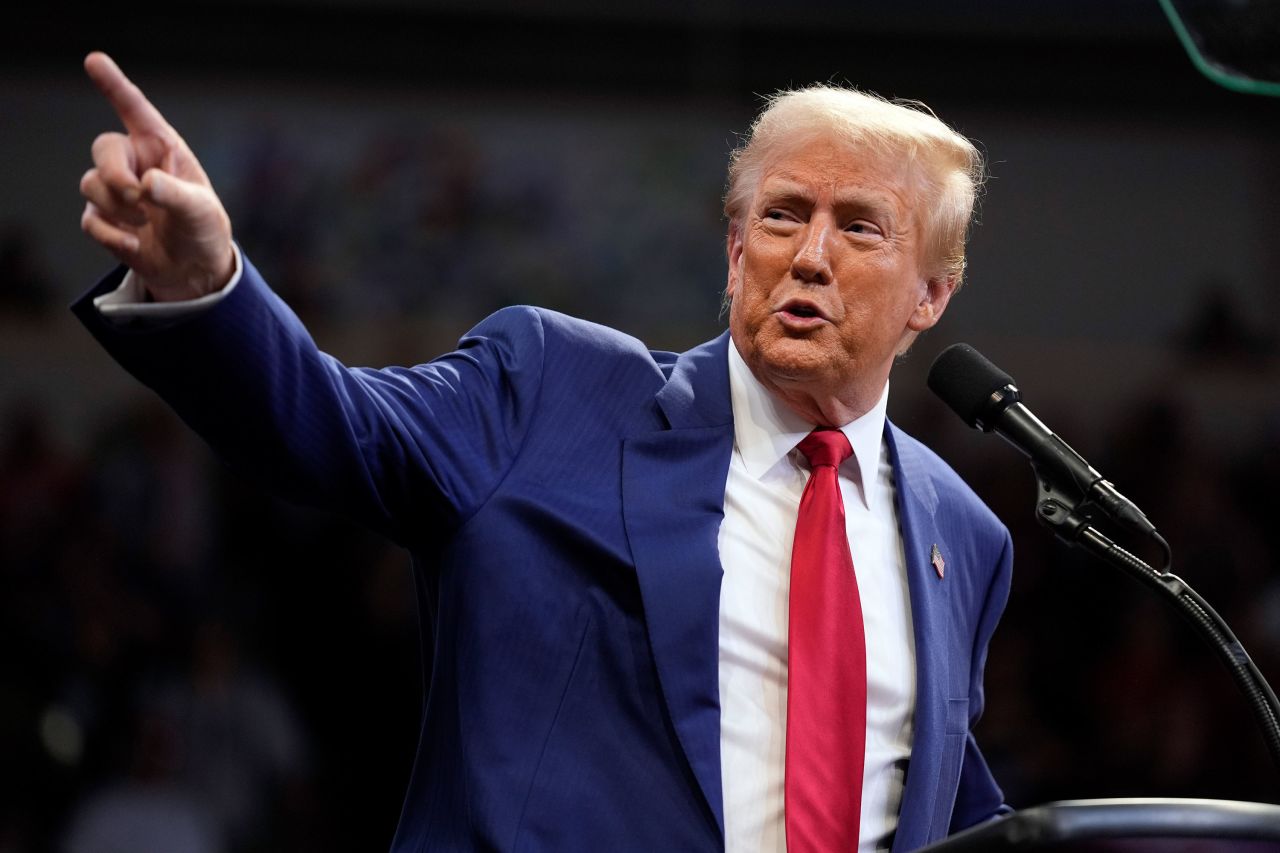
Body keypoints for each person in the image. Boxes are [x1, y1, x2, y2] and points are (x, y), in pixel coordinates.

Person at [74, 51, 1012, 853]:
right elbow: (330, 425)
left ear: (933, 293)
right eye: (781, 216)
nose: (809, 255)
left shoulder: (961, 535)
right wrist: (209, 286)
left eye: (857, 226)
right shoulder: (553, 390)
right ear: (734, 252)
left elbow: (938, 798)